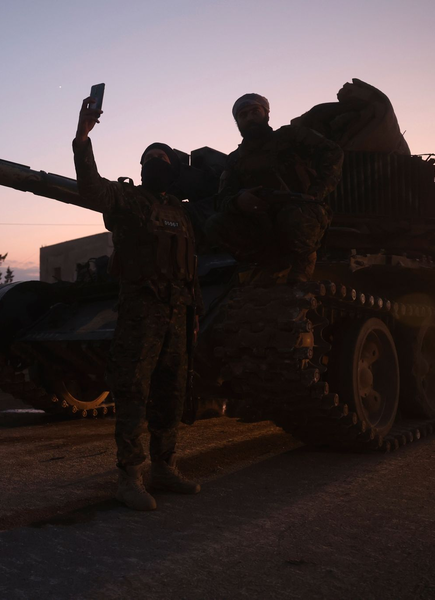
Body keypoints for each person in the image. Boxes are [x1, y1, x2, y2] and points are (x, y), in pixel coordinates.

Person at [73, 96, 203, 511]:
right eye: (148, 158)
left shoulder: (181, 215)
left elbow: (190, 268)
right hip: (142, 312)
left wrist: (193, 315)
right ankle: (129, 476)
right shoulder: (129, 202)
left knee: (171, 391)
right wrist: (82, 137)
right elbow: (90, 187)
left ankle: (164, 466)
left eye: (161, 157)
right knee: (133, 391)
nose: (154, 162)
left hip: (179, 314)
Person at [205, 93, 344, 283]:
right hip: (261, 221)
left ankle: (305, 259)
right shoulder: (235, 159)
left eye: (255, 112)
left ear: (267, 114)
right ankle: (270, 263)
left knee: (294, 217)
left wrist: (317, 192)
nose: (250, 118)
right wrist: (239, 201)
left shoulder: (291, 137)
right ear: (237, 122)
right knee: (215, 224)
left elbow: (332, 152)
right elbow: (222, 200)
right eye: (243, 115)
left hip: (302, 212)